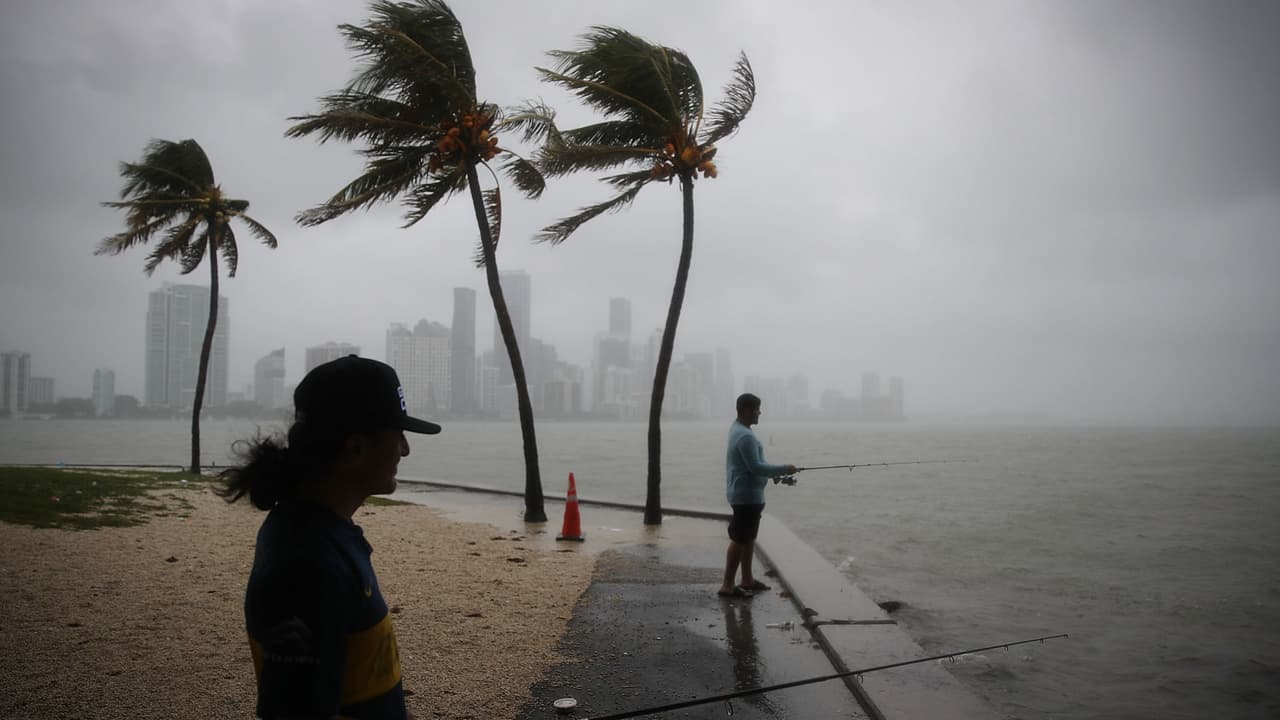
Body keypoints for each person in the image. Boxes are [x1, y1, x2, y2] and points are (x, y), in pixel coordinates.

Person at [219, 355, 441, 720]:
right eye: (397, 435)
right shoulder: (306, 565)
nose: (405, 449)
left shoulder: (319, 530)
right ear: (355, 449)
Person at [719, 392, 797, 598]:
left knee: (748, 538)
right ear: (746, 410)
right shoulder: (745, 435)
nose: (759, 413)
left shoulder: (738, 429)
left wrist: (773, 475)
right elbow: (755, 467)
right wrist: (784, 468)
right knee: (739, 539)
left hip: (747, 494)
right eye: (756, 409)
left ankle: (747, 580)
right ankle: (727, 585)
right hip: (746, 498)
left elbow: (750, 467)